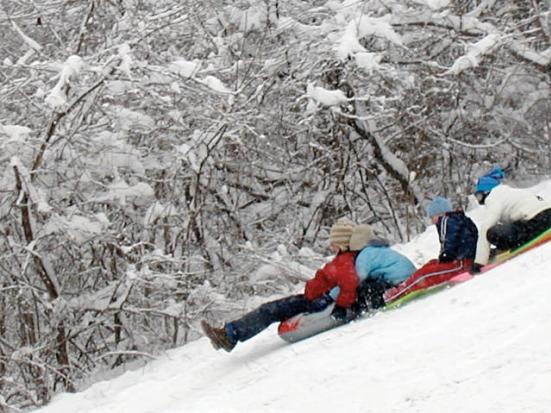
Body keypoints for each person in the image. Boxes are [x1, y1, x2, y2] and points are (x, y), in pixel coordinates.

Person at [201, 218, 367, 352]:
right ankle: (230, 333)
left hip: (317, 301)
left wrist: (341, 306)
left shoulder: (344, 261)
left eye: (334, 242)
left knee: (268, 311)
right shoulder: (346, 260)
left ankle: (230, 335)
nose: (331, 246)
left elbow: (349, 284)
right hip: (318, 297)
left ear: (343, 243)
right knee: (271, 310)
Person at [382, 196, 478, 303]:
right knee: (431, 263)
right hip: (464, 260)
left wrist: (443, 260)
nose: (432, 221)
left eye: (432, 217)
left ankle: (399, 293)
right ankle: (404, 286)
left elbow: (448, 246)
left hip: (461, 264)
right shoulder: (459, 219)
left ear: (440, 213)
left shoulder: (446, 221)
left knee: (426, 273)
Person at [472, 166, 551, 270]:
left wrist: (479, 263)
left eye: (478, 196)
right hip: (548, 215)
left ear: (485, 192)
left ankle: (510, 245)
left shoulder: (493, 197)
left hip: (536, 223)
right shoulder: (511, 191)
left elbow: (486, 227)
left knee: (491, 232)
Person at [351, 224, 417, 312]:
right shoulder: (379, 249)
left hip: (397, 279)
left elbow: (359, 276)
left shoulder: (364, 255)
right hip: (411, 275)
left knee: (367, 287)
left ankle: (377, 308)